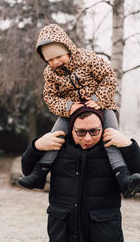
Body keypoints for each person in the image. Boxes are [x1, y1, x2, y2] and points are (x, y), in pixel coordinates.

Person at [18, 23, 140, 198]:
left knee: (111, 137)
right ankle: (39, 174)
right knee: (55, 137)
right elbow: (50, 97)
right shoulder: (50, 73)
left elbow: (109, 77)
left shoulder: (88, 58)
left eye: (59, 56)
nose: (56, 62)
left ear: (68, 48)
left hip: (101, 105)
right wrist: (68, 107)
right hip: (71, 110)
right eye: (50, 60)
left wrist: (98, 99)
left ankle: (123, 178)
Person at [21, 106, 140, 242]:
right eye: (81, 132)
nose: (88, 138)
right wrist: (36, 146)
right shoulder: (57, 147)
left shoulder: (113, 149)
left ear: (103, 128)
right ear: (71, 129)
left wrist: (129, 146)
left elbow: (137, 176)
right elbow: (28, 171)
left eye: (94, 131)